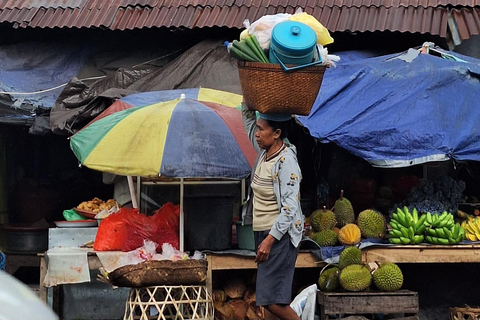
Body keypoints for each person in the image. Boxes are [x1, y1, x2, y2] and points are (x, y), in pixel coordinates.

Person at [241, 102, 304, 320]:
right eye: (257, 129)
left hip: (280, 236)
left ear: (277, 133)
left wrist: (269, 240)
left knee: (270, 300)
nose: (257, 134)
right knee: (271, 296)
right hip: (263, 233)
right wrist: (250, 97)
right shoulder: (263, 152)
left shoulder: (286, 162)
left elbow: (290, 207)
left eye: (261, 129)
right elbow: (248, 118)